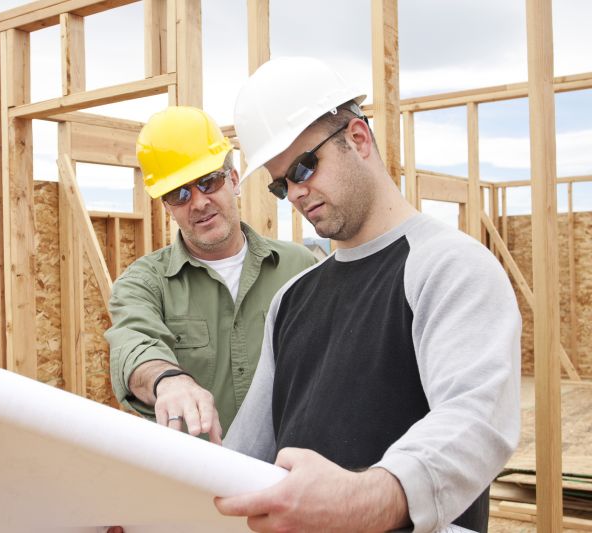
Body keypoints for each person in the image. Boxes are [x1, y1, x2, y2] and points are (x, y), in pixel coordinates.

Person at [215, 57, 521, 532]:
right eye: (280, 184)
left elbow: (474, 422)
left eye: (304, 167)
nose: (295, 193)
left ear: (358, 138)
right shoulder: (292, 299)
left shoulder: (448, 266)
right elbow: (244, 457)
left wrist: (361, 500)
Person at [105, 106, 318, 444]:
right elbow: (134, 346)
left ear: (233, 180)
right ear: (167, 206)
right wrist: (168, 380)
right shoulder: (143, 284)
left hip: (291, 468)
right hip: (195, 472)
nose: (199, 203)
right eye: (179, 193)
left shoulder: (299, 267)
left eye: (209, 181)